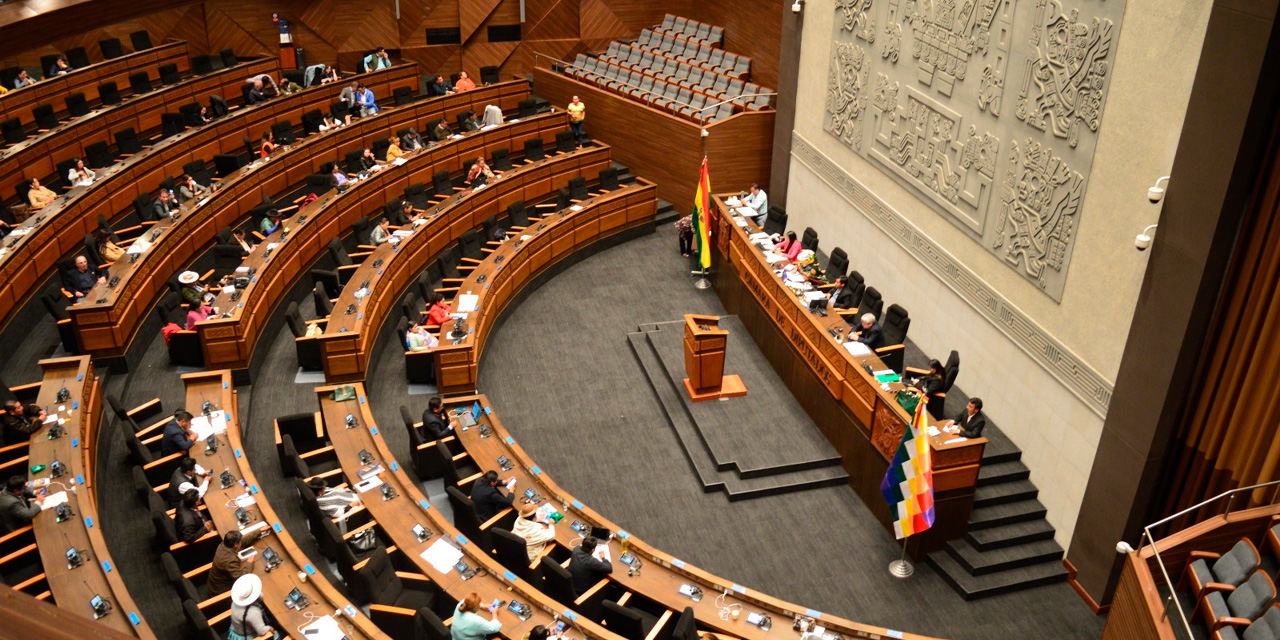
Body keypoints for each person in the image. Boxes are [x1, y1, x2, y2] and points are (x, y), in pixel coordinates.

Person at [208, 530, 262, 596]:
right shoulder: (230, 560)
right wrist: (249, 563)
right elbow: (241, 577)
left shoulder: (223, 545)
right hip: (220, 590)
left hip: (214, 582)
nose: (241, 543)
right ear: (236, 544)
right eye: (239, 542)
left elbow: (242, 542)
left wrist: (259, 531)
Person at [228, 574, 279, 640]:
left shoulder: (235, 602)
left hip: (236, 629)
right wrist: (270, 628)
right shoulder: (253, 613)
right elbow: (261, 631)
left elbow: (260, 597)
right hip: (247, 636)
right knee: (280, 633)